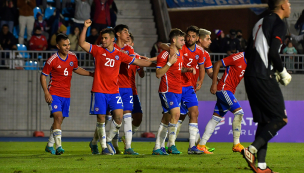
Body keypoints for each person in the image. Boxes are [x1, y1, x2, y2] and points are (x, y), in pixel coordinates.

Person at [78, 19, 153, 155]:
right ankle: (104, 147)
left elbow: (138, 61)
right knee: (102, 118)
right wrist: (85, 28)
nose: (103, 40)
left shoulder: (120, 54)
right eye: (102, 38)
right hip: (99, 90)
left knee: (118, 118)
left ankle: (108, 142)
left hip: (114, 92)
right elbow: (82, 43)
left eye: (105, 38)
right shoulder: (98, 50)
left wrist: (162, 64)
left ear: (112, 39)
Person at [242, 0, 292, 172]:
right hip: (263, 75)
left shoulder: (259, 22)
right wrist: (282, 71)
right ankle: (251, 149)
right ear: (282, 6)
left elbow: (248, 52)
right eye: (288, 3)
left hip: (250, 75)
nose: (290, 6)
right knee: (280, 118)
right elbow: (273, 52)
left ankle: (261, 166)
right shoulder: (278, 22)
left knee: (265, 121)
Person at [41, 33, 94, 155]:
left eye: (69, 44)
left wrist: (91, 74)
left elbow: (76, 69)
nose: (67, 47)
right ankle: (59, 147)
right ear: (58, 46)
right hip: (54, 93)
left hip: (66, 94)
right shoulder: (52, 60)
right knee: (58, 117)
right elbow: (43, 76)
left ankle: (49, 145)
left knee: (58, 120)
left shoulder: (72, 57)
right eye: (64, 45)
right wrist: (46, 92)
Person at [156, 26, 206, 154]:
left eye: (190, 37)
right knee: (174, 116)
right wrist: (168, 57)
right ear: (175, 40)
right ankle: (167, 145)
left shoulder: (183, 52)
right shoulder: (170, 52)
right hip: (168, 89)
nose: (186, 41)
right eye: (183, 39)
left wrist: (189, 71)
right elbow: (158, 72)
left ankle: (164, 147)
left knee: (177, 115)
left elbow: (180, 68)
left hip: (182, 88)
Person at [199, 52, 247, 155]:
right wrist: (214, 84)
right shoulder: (239, 57)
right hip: (224, 89)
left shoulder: (250, 62)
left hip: (228, 90)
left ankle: (201, 145)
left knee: (215, 119)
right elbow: (217, 64)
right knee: (239, 113)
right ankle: (236, 144)